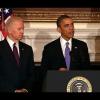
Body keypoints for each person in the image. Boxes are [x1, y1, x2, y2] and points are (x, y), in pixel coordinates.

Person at [0, 16, 36, 92]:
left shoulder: (27, 49)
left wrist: (26, 89)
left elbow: (32, 73)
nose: (22, 31)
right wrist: (13, 90)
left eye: (23, 29)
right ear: (9, 30)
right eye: (19, 29)